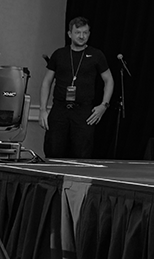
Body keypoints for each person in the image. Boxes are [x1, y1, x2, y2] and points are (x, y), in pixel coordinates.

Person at [39, 17, 113, 159]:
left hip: (83, 111)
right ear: (69, 34)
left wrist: (104, 105)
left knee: (81, 152)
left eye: (85, 33)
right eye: (78, 32)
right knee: (53, 149)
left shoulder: (96, 55)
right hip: (60, 108)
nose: (81, 36)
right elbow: (46, 82)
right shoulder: (59, 54)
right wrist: (42, 110)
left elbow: (109, 80)